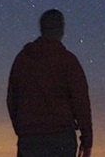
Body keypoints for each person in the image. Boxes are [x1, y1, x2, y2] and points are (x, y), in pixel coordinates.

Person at [7, 9, 93, 157]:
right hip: (60, 138)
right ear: (61, 30)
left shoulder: (23, 59)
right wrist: (87, 140)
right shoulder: (68, 61)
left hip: (30, 139)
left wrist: (22, 129)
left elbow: (12, 99)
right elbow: (81, 102)